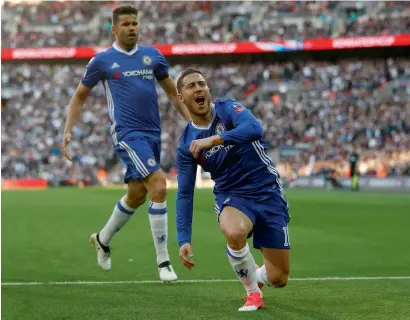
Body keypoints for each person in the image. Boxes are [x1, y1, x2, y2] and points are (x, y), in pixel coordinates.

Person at [61, 5, 191, 281]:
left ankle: (102, 239)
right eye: (127, 24)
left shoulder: (152, 56)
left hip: (153, 134)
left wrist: (193, 122)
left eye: (135, 23)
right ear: (114, 28)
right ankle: (164, 262)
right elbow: (79, 97)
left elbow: (171, 92)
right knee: (158, 184)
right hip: (128, 135)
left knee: (137, 196)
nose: (133, 28)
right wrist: (68, 130)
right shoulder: (103, 61)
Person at [175, 68, 291, 312]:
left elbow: (255, 129)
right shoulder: (186, 143)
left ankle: (257, 276)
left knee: (278, 278)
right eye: (191, 86)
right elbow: (185, 193)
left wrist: (215, 139)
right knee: (234, 231)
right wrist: (184, 238)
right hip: (232, 195)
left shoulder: (228, 110)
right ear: (181, 98)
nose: (198, 89)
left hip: (267, 191)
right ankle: (252, 292)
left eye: (202, 84)